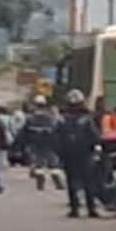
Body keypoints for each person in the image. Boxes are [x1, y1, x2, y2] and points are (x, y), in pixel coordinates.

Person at [57, 90, 100, 218]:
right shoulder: (86, 119)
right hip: (82, 154)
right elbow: (95, 136)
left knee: (75, 182)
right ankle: (88, 208)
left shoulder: (64, 119)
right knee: (86, 182)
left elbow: (57, 138)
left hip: (74, 155)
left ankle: (78, 208)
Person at [23, 95, 64, 191]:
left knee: (39, 164)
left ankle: (40, 184)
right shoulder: (50, 117)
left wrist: (25, 143)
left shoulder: (31, 118)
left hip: (36, 144)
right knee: (53, 163)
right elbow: (57, 129)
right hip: (49, 143)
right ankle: (58, 183)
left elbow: (25, 132)